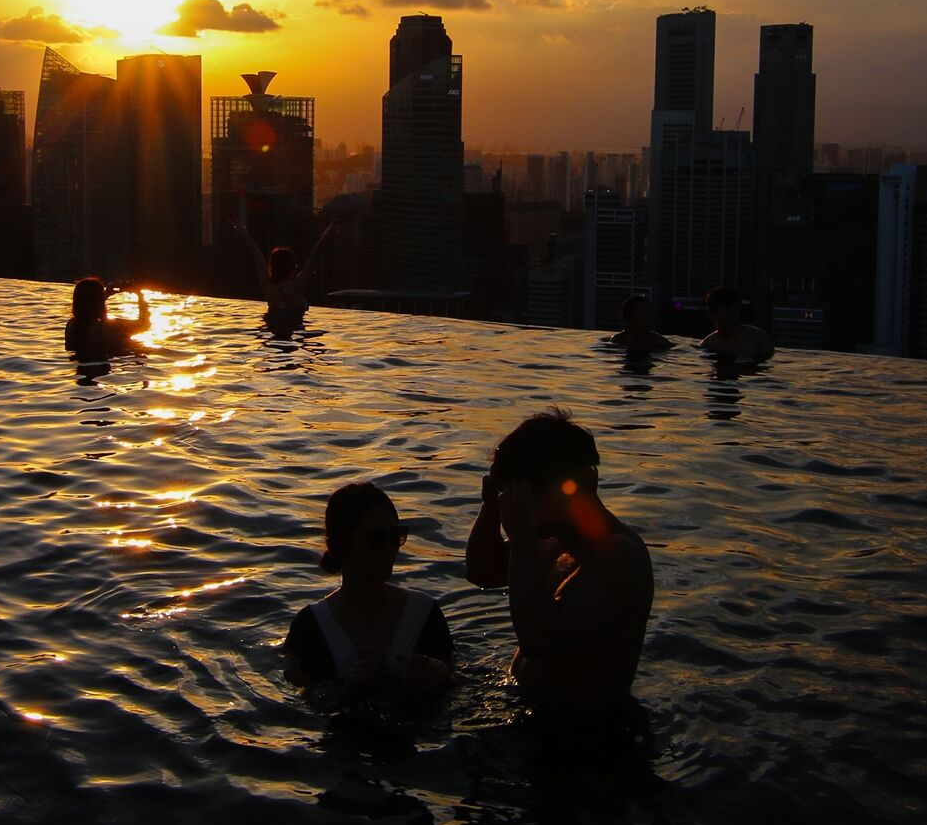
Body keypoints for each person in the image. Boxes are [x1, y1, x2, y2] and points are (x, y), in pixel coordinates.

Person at [462, 410, 654, 722]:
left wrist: (522, 539)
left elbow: (538, 640)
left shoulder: (619, 556)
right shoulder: (549, 539)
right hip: (526, 708)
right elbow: (482, 573)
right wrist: (490, 507)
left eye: (523, 495)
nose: (517, 505)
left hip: (584, 736)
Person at [282, 483, 452, 698]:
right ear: (340, 544)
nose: (389, 548)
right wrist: (347, 692)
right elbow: (298, 701)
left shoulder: (424, 613)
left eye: (395, 536)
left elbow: (458, 678)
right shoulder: (310, 627)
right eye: (376, 538)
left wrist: (442, 673)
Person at [234, 202, 335, 335]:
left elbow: (257, 255)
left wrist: (243, 233)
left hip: (271, 329)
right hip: (295, 330)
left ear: (272, 266)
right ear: (293, 267)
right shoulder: (298, 286)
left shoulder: (268, 286)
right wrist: (329, 232)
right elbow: (314, 257)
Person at [65, 277, 151, 358]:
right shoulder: (110, 327)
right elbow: (144, 325)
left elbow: (93, 314)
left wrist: (104, 296)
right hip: (103, 369)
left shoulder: (70, 325)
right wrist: (140, 295)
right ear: (99, 300)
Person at [699, 284, 774, 365]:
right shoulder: (709, 343)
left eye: (735, 310)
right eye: (726, 310)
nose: (732, 315)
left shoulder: (757, 337)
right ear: (712, 314)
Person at [605, 293, 672, 353]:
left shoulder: (660, 342)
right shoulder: (618, 340)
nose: (648, 319)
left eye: (650, 314)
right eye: (643, 314)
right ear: (628, 317)